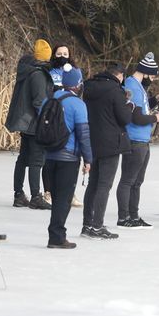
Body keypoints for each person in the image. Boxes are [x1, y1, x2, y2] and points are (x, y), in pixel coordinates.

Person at [116, 52, 159, 229]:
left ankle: (134, 215)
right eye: (152, 76)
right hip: (135, 140)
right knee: (128, 180)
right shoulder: (132, 87)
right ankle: (123, 217)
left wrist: (156, 99)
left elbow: (142, 108)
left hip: (143, 140)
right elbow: (137, 118)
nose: (152, 80)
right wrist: (156, 118)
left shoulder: (138, 87)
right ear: (145, 73)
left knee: (137, 181)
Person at [81, 62, 134, 240]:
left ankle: (87, 225)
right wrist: (128, 105)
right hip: (111, 143)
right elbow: (124, 118)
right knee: (104, 185)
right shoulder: (115, 90)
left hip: (92, 140)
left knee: (93, 184)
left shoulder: (89, 87)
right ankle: (97, 226)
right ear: (120, 75)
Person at [41, 65, 92, 249]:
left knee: (56, 197)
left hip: (49, 156)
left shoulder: (49, 99)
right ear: (78, 85)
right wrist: (88, 159)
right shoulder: (78, 105)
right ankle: (57, 237)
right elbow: (83, 135)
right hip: (68, 158)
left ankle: (55, 234)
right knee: (64, 199)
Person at [5, 38, 54, 210]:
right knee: (36, 160)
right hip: (34, 124)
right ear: (47, 57)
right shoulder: (39, 74)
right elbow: (39, 102)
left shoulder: (27, 70)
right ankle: (35, 197)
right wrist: (47, 122)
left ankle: (18, 194)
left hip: (25, 123)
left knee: (23, 159)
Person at [43, 44, 83, 209]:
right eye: (59, 53)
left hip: (71, 115)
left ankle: (69, 192)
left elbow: (80, 91)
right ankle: (48, 192)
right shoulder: (49, 71)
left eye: (65, 53)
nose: (62, 56)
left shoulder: (75, 71)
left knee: (73, 157)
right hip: (54, 115)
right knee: (50, 156)